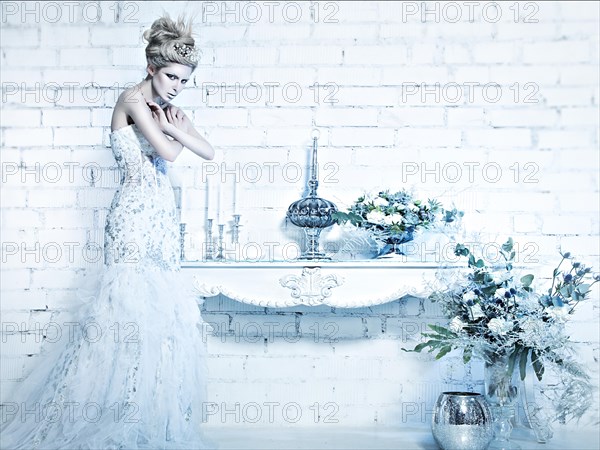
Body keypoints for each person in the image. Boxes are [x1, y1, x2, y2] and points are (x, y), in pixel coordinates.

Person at [0, 15, 216, 449]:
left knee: (161, 312)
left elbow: (208, 152)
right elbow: (169, 153)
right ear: (152, 67)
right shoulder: (132, 100)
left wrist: (177, 128)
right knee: (125, 308)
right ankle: (106, 411)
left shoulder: (166, 108)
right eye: (170, 76)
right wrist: (177, 129)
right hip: (132, 214)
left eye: (184, 80)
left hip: (161, 215)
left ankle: (149, 414)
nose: (175, 86)